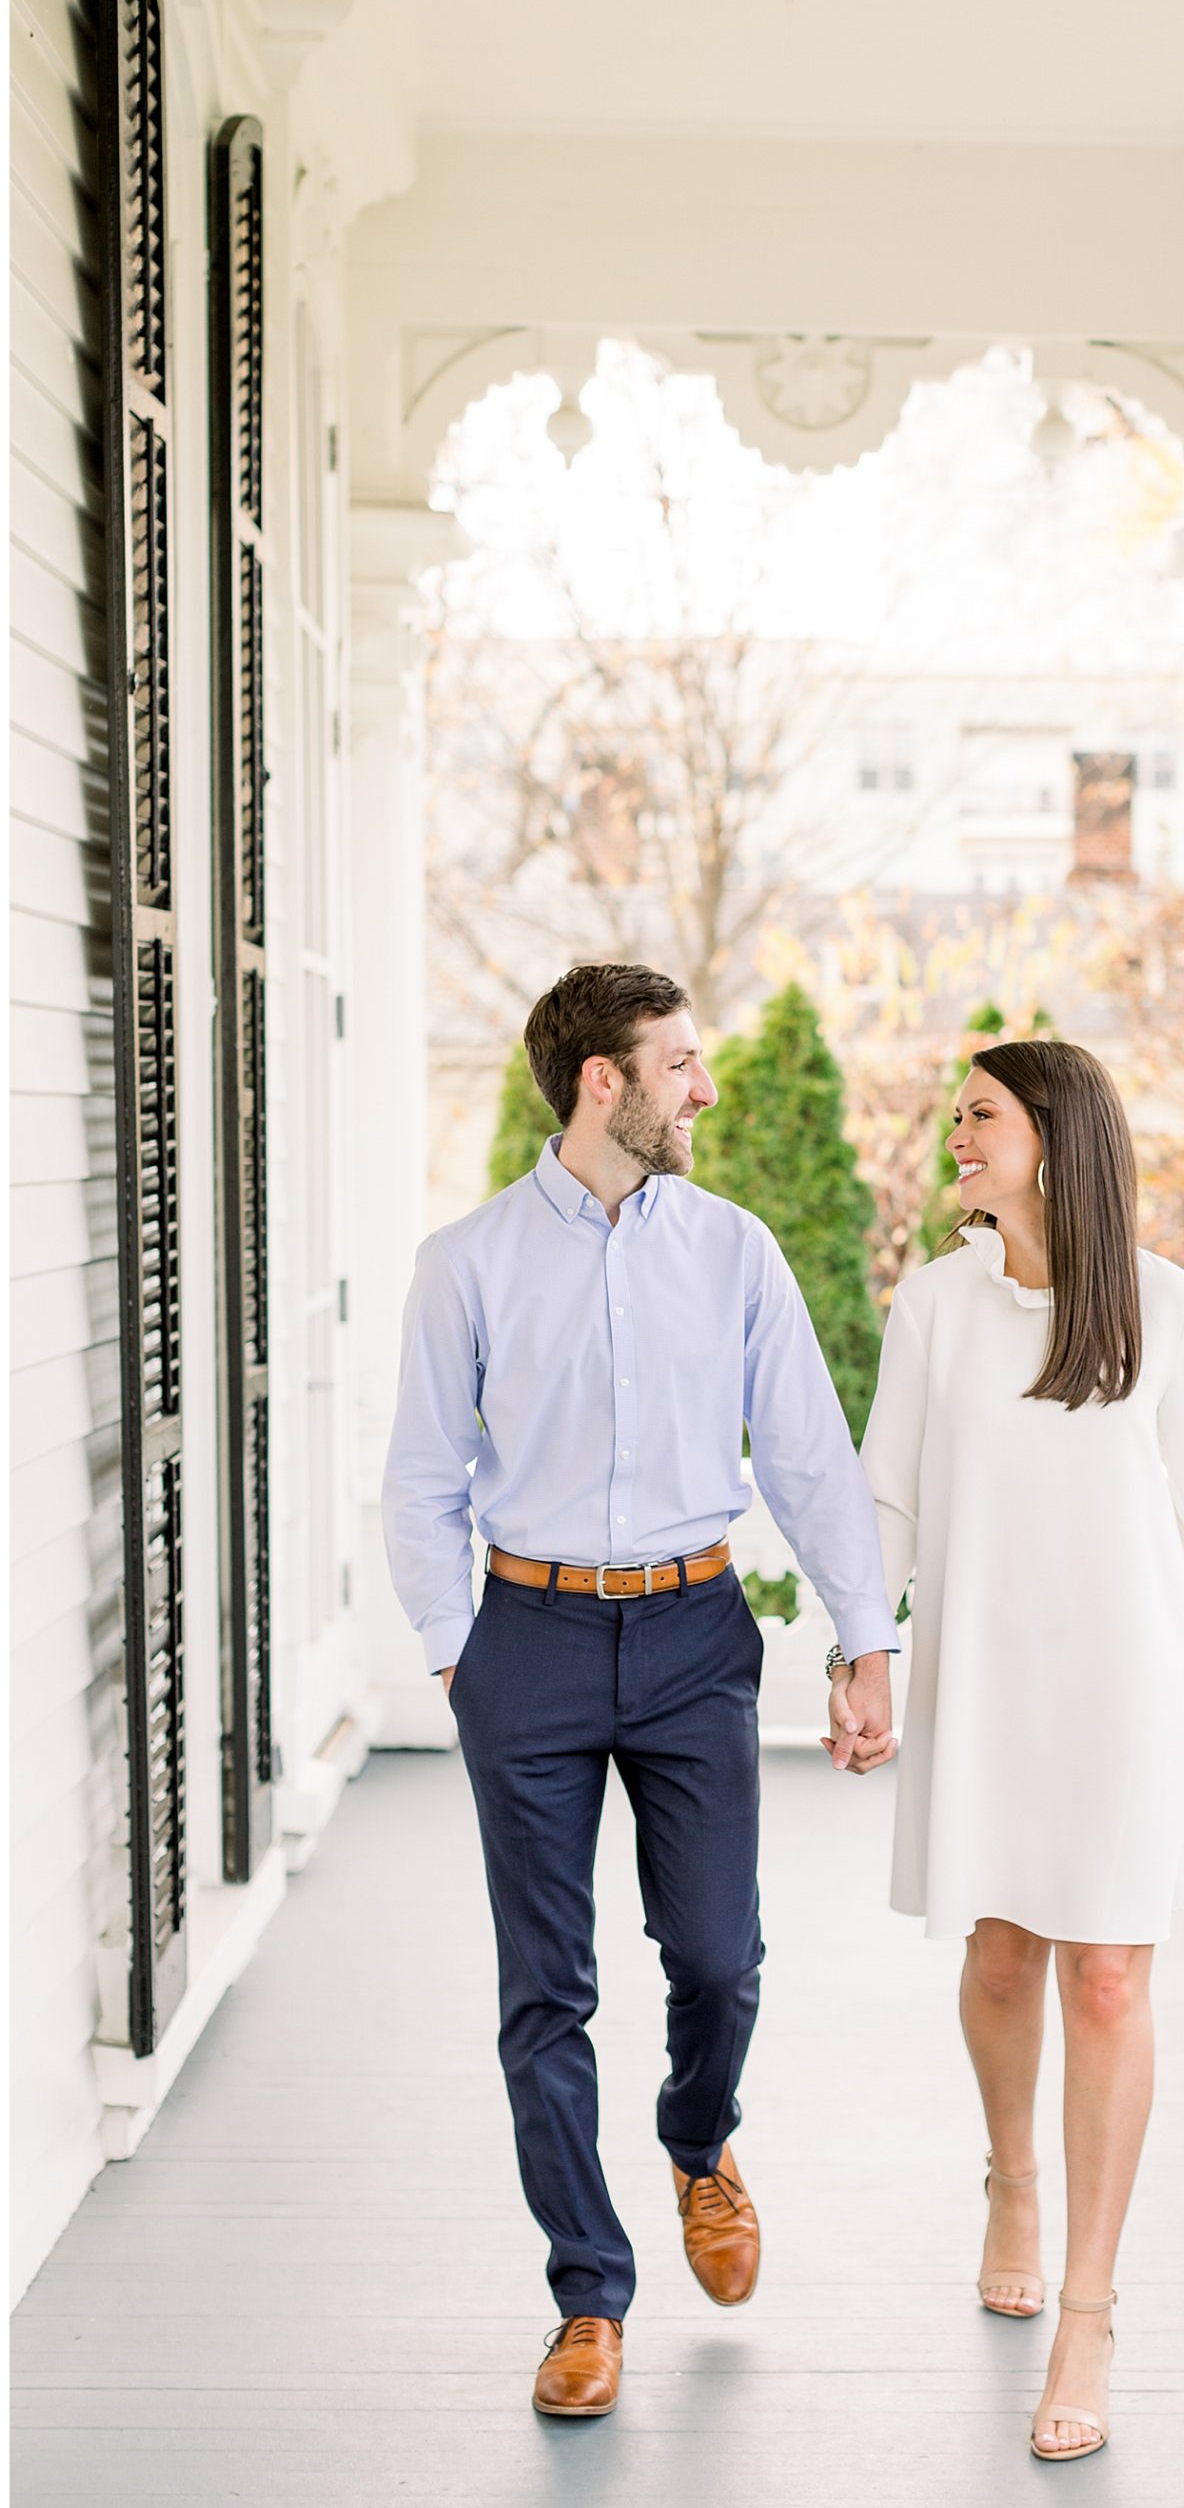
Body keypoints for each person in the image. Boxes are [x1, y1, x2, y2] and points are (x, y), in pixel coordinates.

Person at [382, 961, 898, 2421]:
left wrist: (865, 1641)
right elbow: (422, 1477)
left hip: (691, 1636)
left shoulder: (733, 1251)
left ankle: (696, 2140)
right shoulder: (467, 1262)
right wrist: (454, 1647)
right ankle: (587, 2299)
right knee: (544, 1991)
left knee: (719, 1956)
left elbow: (805, 1452)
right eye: (678, 1063)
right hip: (526, 1642)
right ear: (601, 1081)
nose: (704, 1088)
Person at [839, 1039, 1184, 2464]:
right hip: (987, 1678)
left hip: (1128, 1685)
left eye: (976, 1119)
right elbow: (888, 1504)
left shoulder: (1161, 1306)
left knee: (1107, 1974)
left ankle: (1090, 2313)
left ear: (1050, 1133)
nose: (953, 1142)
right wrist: (860, 1662)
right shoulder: (931, 1305)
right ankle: (1011, 2179)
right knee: (998, 1953)